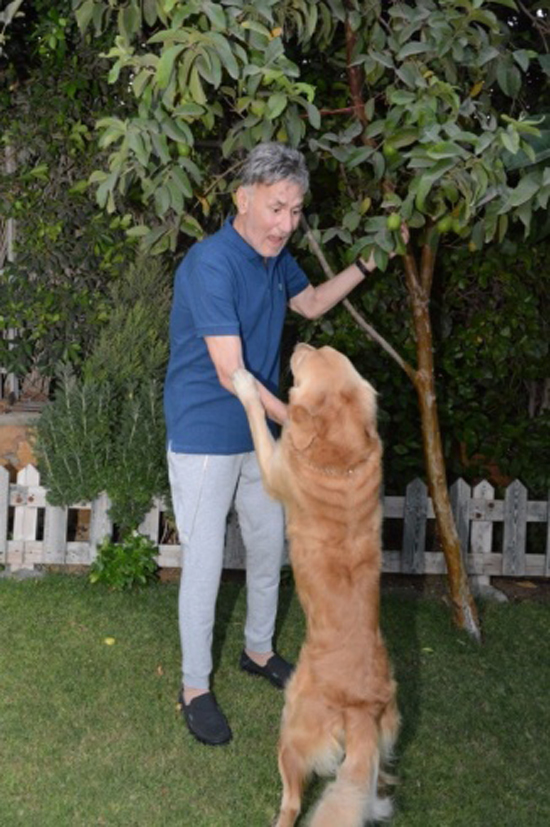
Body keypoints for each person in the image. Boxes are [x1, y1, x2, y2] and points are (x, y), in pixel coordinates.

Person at [164, 142, 380, 747]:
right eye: (276, 208)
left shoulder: (273, 258)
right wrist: (302, 423)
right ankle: (194, 687)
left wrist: (366, 265)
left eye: (295, 211)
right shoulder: (211, 264)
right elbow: (231, 371)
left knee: (267, 547)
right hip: (206, 430)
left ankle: (257, 650)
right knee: (205, 560)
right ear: (244, 198)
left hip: (259, 434)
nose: (286, 224)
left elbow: (309, 304)